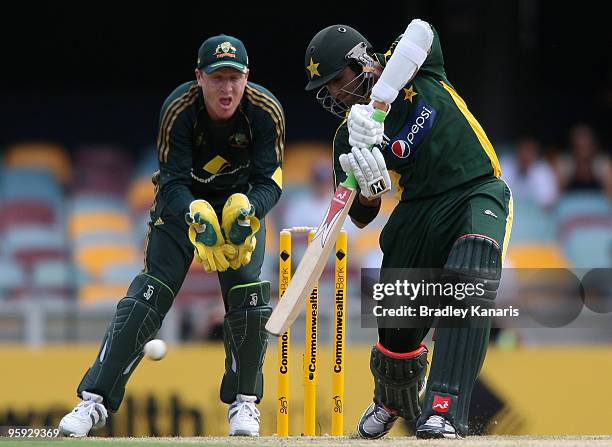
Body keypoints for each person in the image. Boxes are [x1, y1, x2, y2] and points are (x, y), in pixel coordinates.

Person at [59, 34, 285, 437]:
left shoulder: (265, 111)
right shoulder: (179, 109)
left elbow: (270, 181)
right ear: (199, 77)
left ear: (247, 77)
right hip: (184, 207)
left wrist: (248, 211)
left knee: (249, 299)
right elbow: (174, 180)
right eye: (217, 78)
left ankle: (244, 403)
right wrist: (194, 212)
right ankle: (92, 401)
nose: (227, 88)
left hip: (240, 209)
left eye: (235, 77)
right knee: (149, 294)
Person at [304, 21, 512, 439]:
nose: (333, 94)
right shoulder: (349, 134)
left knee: (468, 279)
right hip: (417, 210)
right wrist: (368, 187)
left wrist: (381, 100)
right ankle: (393, 398)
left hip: (475, 189)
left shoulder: (413, 65)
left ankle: (444, 408)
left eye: (336, 81)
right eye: (325, 90)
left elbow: (422, 31)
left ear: (361, 60)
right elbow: (363, 215)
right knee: (399, 321)